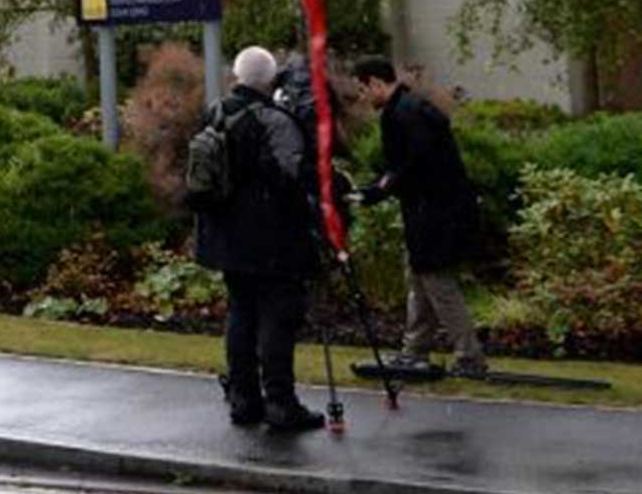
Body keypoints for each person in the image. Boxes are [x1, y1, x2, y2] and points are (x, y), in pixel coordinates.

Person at [194, 45, 326, 432]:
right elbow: (292, 178)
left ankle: (244, 399)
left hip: (226, 238)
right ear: (271, 80)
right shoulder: (274, 120)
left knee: (241, 316)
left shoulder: (216, 112)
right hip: (271, 239)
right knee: (277, 319)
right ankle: (281, 403)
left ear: (236, 75)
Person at [352, 58, 489, 378]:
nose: (362, 97)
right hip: (435, 208)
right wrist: (378, 188)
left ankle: (470, 357)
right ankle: (414, 350)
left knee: (437, 283)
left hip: (434, 211)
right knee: (419, 278)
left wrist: (381, 189)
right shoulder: (411, 108)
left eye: (362, 89)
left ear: (376, 83)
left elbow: (414, 165)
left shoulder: (403, 114)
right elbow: (410, 165)